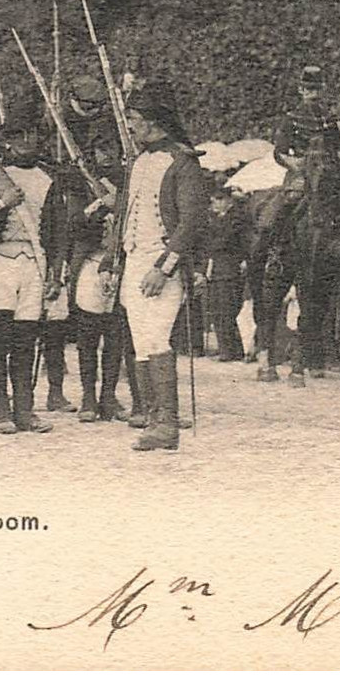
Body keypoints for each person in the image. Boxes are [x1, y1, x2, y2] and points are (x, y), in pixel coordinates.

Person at [114, 80, 208, 452]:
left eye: (135, 119)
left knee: (156, 338)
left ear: (154, 121)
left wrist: (164, 268)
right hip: (134, 263)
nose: (131, 126)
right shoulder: (137, 162)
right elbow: (125, 214)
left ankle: (167, 424)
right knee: (140, 344)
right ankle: (153, 417)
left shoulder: (182, 163)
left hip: (161, 268)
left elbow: (191, 223)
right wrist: (112, 262)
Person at [0, 94, 65, 435]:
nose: (26, 142)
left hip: (35, 263)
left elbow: (56, 231)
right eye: (19, 135)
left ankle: (24, 406)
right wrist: (2, 203)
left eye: (32, 135)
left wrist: (55, 272)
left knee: (27, 337)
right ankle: (0, 405)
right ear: (7, 140)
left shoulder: (49, 177)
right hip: (2, 260)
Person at [200, 186, 251, 363]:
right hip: (216, 270)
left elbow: (224, 241)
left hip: (230, 270)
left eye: (219, 199)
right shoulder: (214, 219)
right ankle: (226, 348)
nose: (214, 203)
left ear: (229, 201)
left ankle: (232, 350)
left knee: (227, 310)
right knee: (216, 310)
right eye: (213, 199)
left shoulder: (236, 218)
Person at [272, 65, 340, 172]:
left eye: (317, 89)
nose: (314, 94)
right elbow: (280, 152)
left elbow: (338, 147)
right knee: (295, 187)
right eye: (309, 89)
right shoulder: (292, 118)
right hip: (303, 170)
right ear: (301, 90)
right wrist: (292, 162)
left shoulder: (328, 119)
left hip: (328, 171)